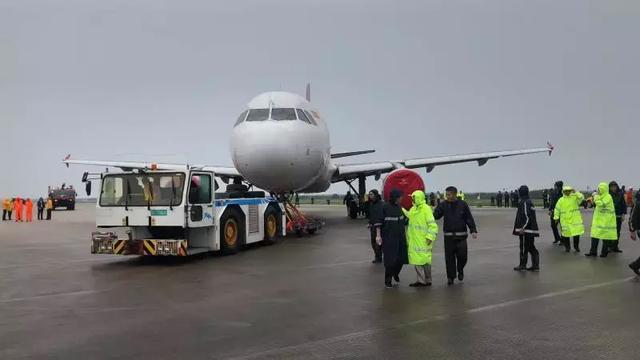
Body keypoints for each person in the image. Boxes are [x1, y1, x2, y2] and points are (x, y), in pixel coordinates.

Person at [433, 186, 477, 285]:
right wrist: (431, 212)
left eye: (449, 194)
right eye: (446, 194)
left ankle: (460, 269)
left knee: (463, 256)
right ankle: (450, 277)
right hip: (448, 237)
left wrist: (473, 230)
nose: (447, 196)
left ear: (455, 194)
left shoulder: (463, 204)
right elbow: (436, 216)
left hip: (461, 236)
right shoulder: (443, 205)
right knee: (449, 258)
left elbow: (468, 218)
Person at [403, 190, 438, 287]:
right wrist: (401, 209)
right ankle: (421, 280)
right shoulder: (414, 208)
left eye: (413, 197)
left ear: (418, 198)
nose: (412, 199)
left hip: (424, 240)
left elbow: (433, 225)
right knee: (417, 261)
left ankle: (428, 279)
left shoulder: (426, 209)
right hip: (415, 239)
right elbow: (409, 215)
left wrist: (430, 237)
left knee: (426, 261)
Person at [375, 189, 408, 288]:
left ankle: (395, 273)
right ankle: (388, 280)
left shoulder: (399, 207)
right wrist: (378, 235)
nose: (402, 199)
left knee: (402, 258)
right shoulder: (384, 207)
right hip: (389, 238)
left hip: (401, 237)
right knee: (390, 260)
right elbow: (379, 222)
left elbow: (405, 220)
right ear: (395, 198)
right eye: (400, 197)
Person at [585, 182, 618, 257]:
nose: (598, 191)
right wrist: (591, 202)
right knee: (594, 236)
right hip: (598, 221)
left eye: (599, 189)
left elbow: (601, 204)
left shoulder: (608, 196)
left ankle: (604, 252)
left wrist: (595, 196)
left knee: (605, 238)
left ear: (603, 189)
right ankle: (593, 252)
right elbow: (595, 203)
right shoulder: (600, 196)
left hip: (606, 221)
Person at [513, 185, 540, 271]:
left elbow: (527, 216)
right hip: (530, 230)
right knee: (531, 247)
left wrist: (522, 228)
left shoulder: (524, 202)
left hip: (526, 230)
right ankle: (535, 265)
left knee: (524, 247)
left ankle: (523, 265)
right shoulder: (529, 201)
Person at [553, 186, 584, 253]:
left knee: (576, 234)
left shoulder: (574, 198)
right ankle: (567, 247)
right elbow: (557, 209)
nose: (567, 192)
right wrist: (556, 217)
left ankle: (576, 247)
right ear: (563, 192)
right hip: (565, 221)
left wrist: (575, 192)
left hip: (575, 220)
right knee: (566, 235)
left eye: (569, 191)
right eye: (566, 191)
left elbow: (581, 198)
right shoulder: (561, 200)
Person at [609, 181, 627, 253]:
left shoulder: (620, 194)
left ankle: (615, 247)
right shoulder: (607, 195)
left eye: (614, 186)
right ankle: (609, 247)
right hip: (609, 217)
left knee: (617, 232)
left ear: (617, 187)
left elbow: (623, 204)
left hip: (618, 216)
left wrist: (623, 214)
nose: (613, 188)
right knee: (610, 232)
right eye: (611, 187)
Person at [367, 189, 384, 263]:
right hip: (373, 227)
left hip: (379, 227)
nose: (370, 196)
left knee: (379, 243)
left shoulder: (381, 204)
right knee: (373, 243)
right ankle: (378, 256)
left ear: (376, 195)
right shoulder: (372, 204)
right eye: (369, 194)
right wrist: (370, 223)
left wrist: (378, 226)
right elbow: (372, 215)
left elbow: (381, 216)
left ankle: (379, 257)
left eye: (371, 194)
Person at [628, 201, 640, 275]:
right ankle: (635, 265)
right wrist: (632, 231)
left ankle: (635, 265)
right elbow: (632, 217)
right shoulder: (638, 203)